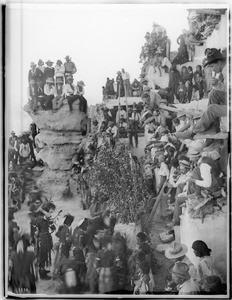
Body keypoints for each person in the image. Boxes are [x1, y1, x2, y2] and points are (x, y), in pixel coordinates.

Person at [192, 48, 227, 134]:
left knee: (211, 109)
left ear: (219, 63)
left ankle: (194, 131)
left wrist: (219, 84)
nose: (211, 69)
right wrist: (218, 85)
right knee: (213, 93)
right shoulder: (225, 70)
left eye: (212, 66)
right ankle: (212, 128)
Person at [36, 202, 56, 279]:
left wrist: (51, 225)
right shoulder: (41, 217)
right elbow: (49, 216)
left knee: (44, 255)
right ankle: (42, 275)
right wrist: (42, 210)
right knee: (42, 256)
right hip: (43, 239)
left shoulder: (42, 217)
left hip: (45, 237)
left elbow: (49, 221)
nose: (52, 212)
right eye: (51, 210)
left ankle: (43, 270)